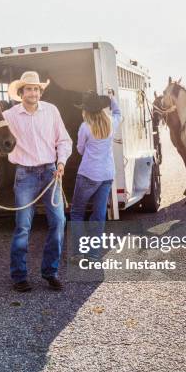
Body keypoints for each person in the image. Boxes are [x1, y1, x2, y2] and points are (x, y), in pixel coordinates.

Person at [0, 71, 72, 292]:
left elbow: (64, 140)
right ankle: (19, 276)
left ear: (40, 91)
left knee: (59, 223)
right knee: (23, 226)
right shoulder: (10, 115)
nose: (33, 93)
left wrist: (61, 162)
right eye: (28, 89)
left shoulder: (51, 111)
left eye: (36, 89)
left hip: (51, 173)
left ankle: (50, 272)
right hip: (25, 175)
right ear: (21, 93)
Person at [70, 89, 121, 259]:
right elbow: (118, 111)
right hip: (107, 174)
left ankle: (78, 253)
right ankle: (93, 254)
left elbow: (80, 149)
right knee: (98, 215)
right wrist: (112, 98)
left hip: (88, 174)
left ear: (86, 111)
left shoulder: (85, 127)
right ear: (100, 108)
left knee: (77, 212)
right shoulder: (111, 123)